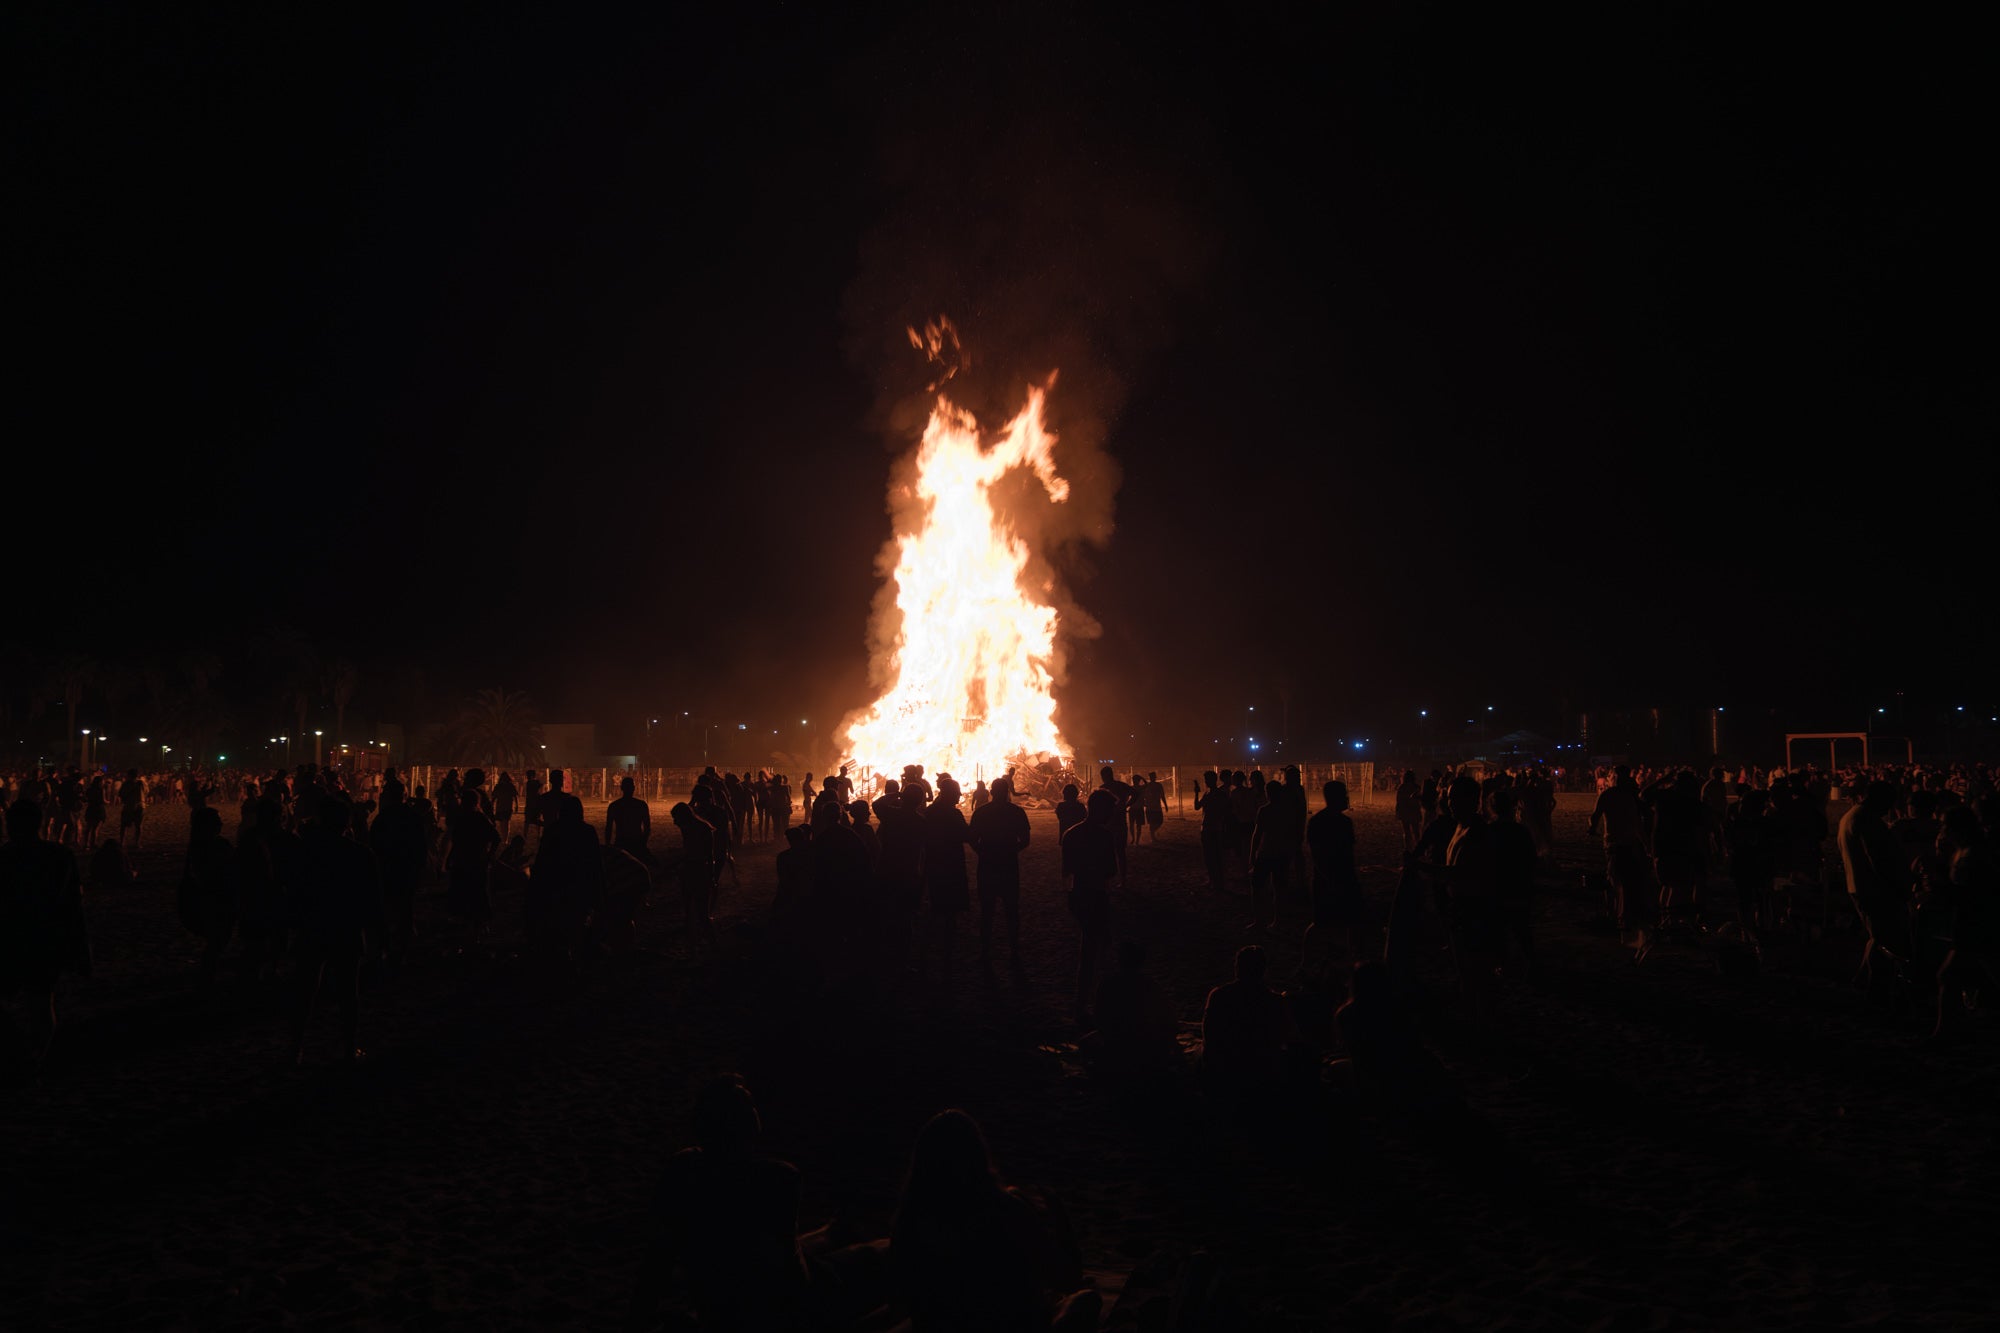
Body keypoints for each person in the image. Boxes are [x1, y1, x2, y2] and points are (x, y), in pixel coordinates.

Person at [629, 1074, 888, 1332]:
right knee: (874, 1254)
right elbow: (788, 1271)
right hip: (775, 1309)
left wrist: (641, 1316)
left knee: (829, 1248)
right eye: (749, 1105)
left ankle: (834, 1236)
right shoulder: (778, 1178)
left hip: (717, 1307)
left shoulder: (682, 1170)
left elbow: (657, 1259)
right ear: (749, 1123)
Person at [890, 1109, 1095, 1333]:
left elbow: (900, 1296)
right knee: (1087, 1300)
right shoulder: (1007, 1209)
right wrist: (1060, 1215)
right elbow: (1067, 1278)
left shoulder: (912, 1218)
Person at [0, 797, 91, 1079]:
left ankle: (24, 1054)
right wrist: (79, 946)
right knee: (41, 1003)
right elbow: (74, 902)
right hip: (46, 939)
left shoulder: (4, 857)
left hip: (10, 940)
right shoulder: (59, 856)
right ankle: (36, 1055)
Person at [291, 795, 386, 1063]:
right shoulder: (359, 854)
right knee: (348, 992)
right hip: (346, 927)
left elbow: (295, 888)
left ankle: (295, 1046)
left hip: (313, 924)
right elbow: (373, 898)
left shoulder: (307, 850)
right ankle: (348, 1046)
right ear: (347, 823)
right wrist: (379, 934)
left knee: (306, 989)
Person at [1199, 944, 1293, 1106]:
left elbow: (1209, 1036)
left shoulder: (1219, 996)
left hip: (1226, 1071)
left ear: (1237, 968)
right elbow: (1287, 1037)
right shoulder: (1276, 1002)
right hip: (1263, 1072)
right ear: (1264, 970)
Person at [1839, 780, 1913, 985]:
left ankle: (1862, 980)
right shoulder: (1866, 821)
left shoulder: (1852, 816)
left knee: (1878, 936)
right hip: (1874, 889)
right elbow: (1878, 859)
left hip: (1862, 886)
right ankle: (1873, 985)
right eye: (1889, 802)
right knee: (1884, 939)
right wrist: (1898, 885)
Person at [1060, 790, 1121, 1024]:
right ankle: (1094, 1004)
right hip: (1095, 895)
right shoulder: (1104, 836)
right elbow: (1110, 871)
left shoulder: (1071, 834)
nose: (1110, 816)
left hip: (1077, 894)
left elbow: (1066, 870)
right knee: (1098, 949)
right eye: (1109, 811)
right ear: (1099, 809)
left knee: (1090, 946)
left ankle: (1084, 1002)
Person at [1091, 939, 1182, 1088]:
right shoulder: (1151, 985)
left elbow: (1099, 1019)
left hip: (1118, 1047)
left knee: (1087, 1043)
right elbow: (1169, 1020)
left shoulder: (1107, 984)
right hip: (1150, 1050)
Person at [967, 775, 1031, 964]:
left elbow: (972, 839)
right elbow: (1025, 840)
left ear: (992, 792)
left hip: (987, 866)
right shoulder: (1017, 812)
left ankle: (985, 951)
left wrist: (983, 852)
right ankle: (1014, 950)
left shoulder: (981, 812)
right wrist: (1010, 851)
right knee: (1012, 910)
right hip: (1009, 866)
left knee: (987, 910)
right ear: (1007, 792)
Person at [1304, 780, 1361, 968]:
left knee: (1343, 923)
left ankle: (1341, 961)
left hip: (1342, 880)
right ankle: (1309, 964)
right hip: (1329, 881)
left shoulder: (1344, 822)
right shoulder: (1321, 823)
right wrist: (1333, 881)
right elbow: (1318, 856)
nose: (1347, 797)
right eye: (1344, 794)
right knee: (1322, 924)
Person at [1490, 788, 1538, 970]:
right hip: (1519, 885)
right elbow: (1531, 858)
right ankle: (1530, 962)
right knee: (1522, 928)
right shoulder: (1520, 831)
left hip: (1498, 886)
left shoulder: (1490, 831)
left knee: (1499, 928)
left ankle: (1504, 964)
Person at [1248, 776, 1305, 932]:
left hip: (1266, 853)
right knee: (1279, 888)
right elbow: (1294, 832)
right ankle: (1277, 920)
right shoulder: (1287, 811)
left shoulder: (1265, 810)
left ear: (1268, 793)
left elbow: (1257, 834)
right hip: (1281, 854)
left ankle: (1259, 920)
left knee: (1258, 887)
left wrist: (1252, 855)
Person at [1193, 769, 1232, 893]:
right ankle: (1217, 881)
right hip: (1216, 828)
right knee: (1216, 857)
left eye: (1206, 780)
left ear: (1211, 780)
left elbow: (1197, 807)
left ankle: (1214, 881)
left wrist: (1196, 794)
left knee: (1211, 857)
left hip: (1210, 829)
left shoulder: (1211, 794)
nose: (1205, 782)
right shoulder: (1218, 794)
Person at [605, 775, 653, 866]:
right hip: (637, 842)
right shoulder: (641, 805)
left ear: (621, 788)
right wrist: (643, 843)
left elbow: (608, 828)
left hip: (620, 842)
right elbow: (647, 827)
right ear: (634, 788)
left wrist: (608, 845)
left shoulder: (614, 806)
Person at [117, 768, 146, 848]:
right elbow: (146, 792)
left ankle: (122, 842)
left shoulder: (126, 784)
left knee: (124, 826)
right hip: (140, 806)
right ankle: (137, 843)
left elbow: (121, 794)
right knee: (138, 826)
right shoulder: (141, 783)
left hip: (129, 806)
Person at [493, 770, 518, 841]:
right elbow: (515, 796)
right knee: (506, 823)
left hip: (501, 806)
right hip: (507, 806)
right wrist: (516, 805)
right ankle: (505, 838)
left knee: (503, 823)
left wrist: (492, 804)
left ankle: (504, 838)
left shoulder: (499, 786)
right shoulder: (510, 786)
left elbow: (494, 797)